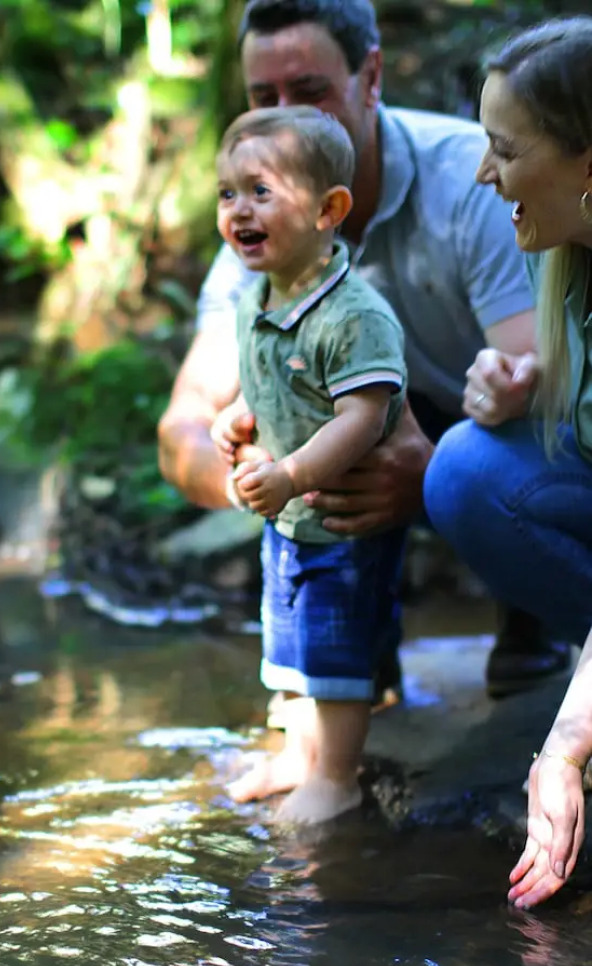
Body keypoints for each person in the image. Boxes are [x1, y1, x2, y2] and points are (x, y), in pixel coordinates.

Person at [157, 0, 567, 703]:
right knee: (324, 437)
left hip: (481, 435)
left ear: (371, 76)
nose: (287, 116)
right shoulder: (257, 237)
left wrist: (433, 477)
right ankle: (354, 667)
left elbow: (544, 388)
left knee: (466, 450)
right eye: (263, 97)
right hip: (356, 448)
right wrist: (259, 479)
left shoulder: (470, 184)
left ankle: (536, 618)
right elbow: (181, 431)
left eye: (309, 90)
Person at [423, 16, 592, 908]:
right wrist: (530, 387)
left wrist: (565, 748)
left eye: (506, 150)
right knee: (466, 468)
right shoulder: (560, 248)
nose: (485, 173)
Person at [212, 105, 407, 822]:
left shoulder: (353, 317)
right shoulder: (255, 298)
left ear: (329, 211)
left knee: (337, 651)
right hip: (289, 522)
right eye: (228, 193)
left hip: (345, 520)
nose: (239, 210)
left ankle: (337, 775)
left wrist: (292, 474)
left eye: (260, 192)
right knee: (289, 639)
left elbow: (363, 416)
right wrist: (239, 413)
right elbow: (267, 378)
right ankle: (299, 755)